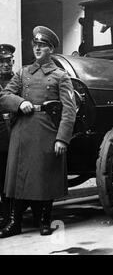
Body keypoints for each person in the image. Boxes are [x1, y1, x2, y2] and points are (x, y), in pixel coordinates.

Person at [0, 26, 76, 238]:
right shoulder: (23, 73)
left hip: (47, 130)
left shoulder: (61, 76)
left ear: (50, 49)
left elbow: (69, 111)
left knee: (45, 176)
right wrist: (20, 101)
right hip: (22, 130)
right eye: (35, 45)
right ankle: (14, 223)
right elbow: (4, 95)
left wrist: (62, 138)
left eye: (42, 45)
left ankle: (44, 221)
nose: (37, 48)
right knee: (17, 177)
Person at [0, 44, 15, 229]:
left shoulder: (18, 80)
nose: (5, 65)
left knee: (8, 180)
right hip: (1, 136)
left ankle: (8, 217)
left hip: (15, 135)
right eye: (1, 61)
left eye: (8, 61)